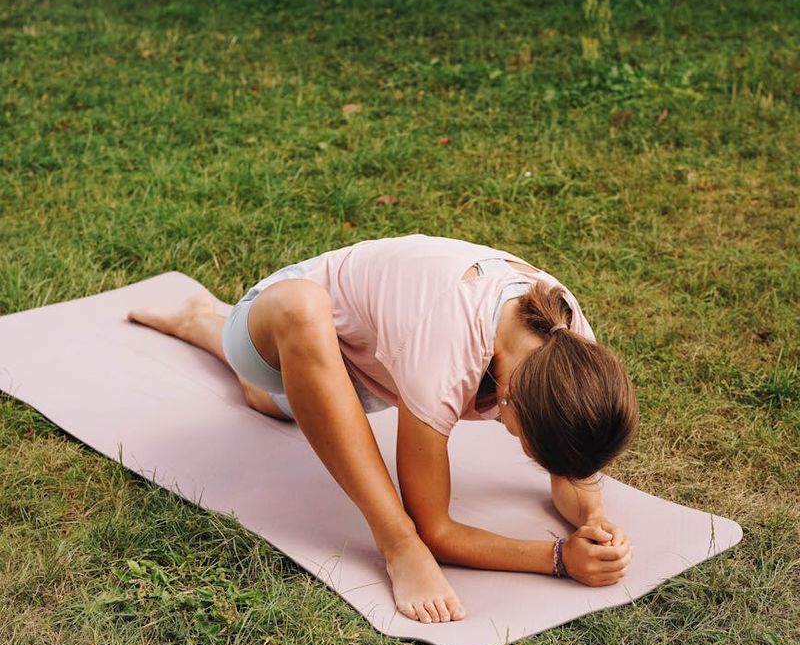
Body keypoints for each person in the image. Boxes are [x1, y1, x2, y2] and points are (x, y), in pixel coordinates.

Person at [127, 234, 638, 624]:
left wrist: (591, 517)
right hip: (282, 319)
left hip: (369, 368)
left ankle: (198, 322)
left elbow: (573, 471)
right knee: (301, 312)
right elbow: (434, 529)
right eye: (529, 445)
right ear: (512, 401)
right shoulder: (446, 350)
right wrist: (556, 560)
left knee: (272, 402)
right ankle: (395, 546)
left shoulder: (569, 346)